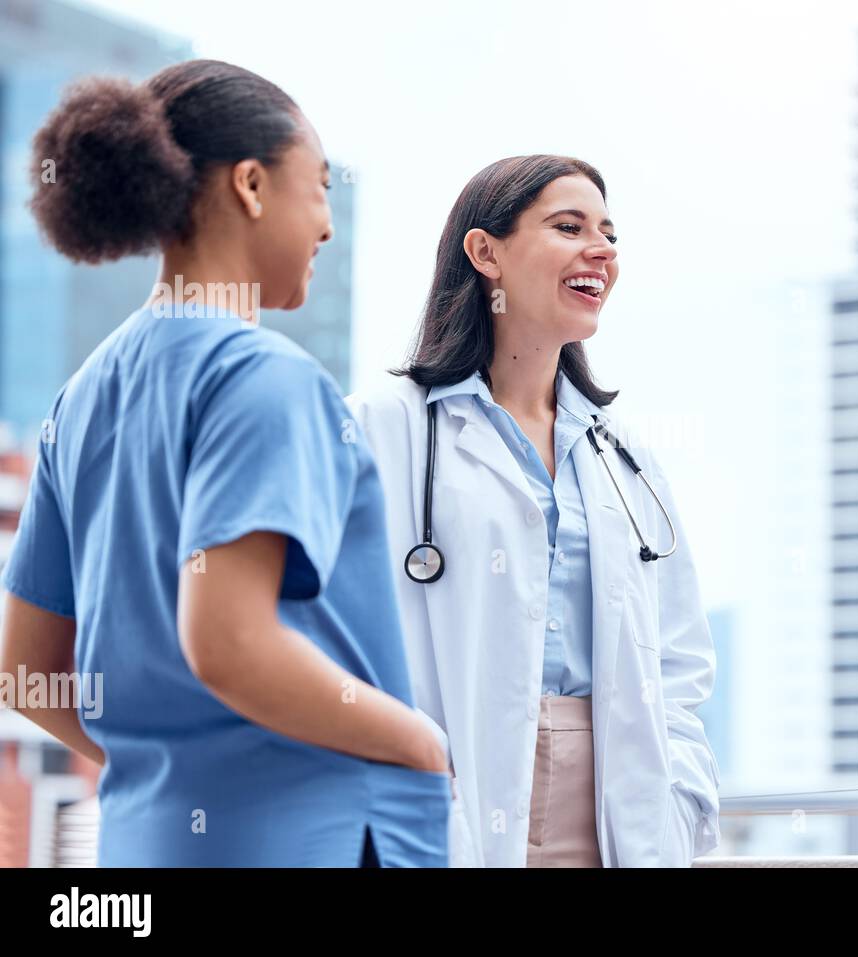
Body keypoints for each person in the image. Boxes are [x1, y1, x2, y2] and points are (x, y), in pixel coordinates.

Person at [0, 60, 449, 866]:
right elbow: (230, 643)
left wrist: (164, 765)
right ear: (251, 184)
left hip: (149, 845)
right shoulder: (264, 375)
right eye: (319, 187)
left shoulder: (81, 398)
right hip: (314, 834)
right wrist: (418, 743)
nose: (328, 225)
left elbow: (25, 673)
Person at [346, 155, 721, 867]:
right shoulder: (384, 427)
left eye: (609, 233)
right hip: (447, 796)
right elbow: (333, 637)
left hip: (616, 813)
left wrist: (680, 796)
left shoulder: (622, 455)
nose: (601, 250)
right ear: (485, 253)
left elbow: (680, 657)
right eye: (569, 227)